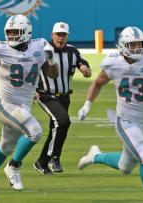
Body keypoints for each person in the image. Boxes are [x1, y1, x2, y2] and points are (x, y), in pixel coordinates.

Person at [77, 26, 143, 203]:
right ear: (123, 46)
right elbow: (97, 83)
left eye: (139, 44)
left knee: (125, 166)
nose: (136, 48)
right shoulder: (113, 63)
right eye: (132, 44)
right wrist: (87, 105)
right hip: (125, 121)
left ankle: (95, 156)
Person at [0, 14, 59, 200]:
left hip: (23, 106)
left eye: (15, 32)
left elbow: (52, 74)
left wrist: (51, 60)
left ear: (26, 32)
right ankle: (13, 167)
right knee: (34, 132)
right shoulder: (0, 49)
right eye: (9, 32)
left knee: (7, 146)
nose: (11, 36)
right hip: (5, 105)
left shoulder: (39, 47)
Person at [33, 22, 91, 175]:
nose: (60, 38)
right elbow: (30, 68)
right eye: (58, 34)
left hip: (64, 97)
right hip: (46, 95)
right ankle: (54, 157)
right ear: (52, 35)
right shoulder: (44, 51)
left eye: (63, 35)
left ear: (67, 36)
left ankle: (42, 162)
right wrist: (31, 89)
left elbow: (85, 67)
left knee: (57, 129)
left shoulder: (73, 51)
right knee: (63, 121)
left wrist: (86, 70)